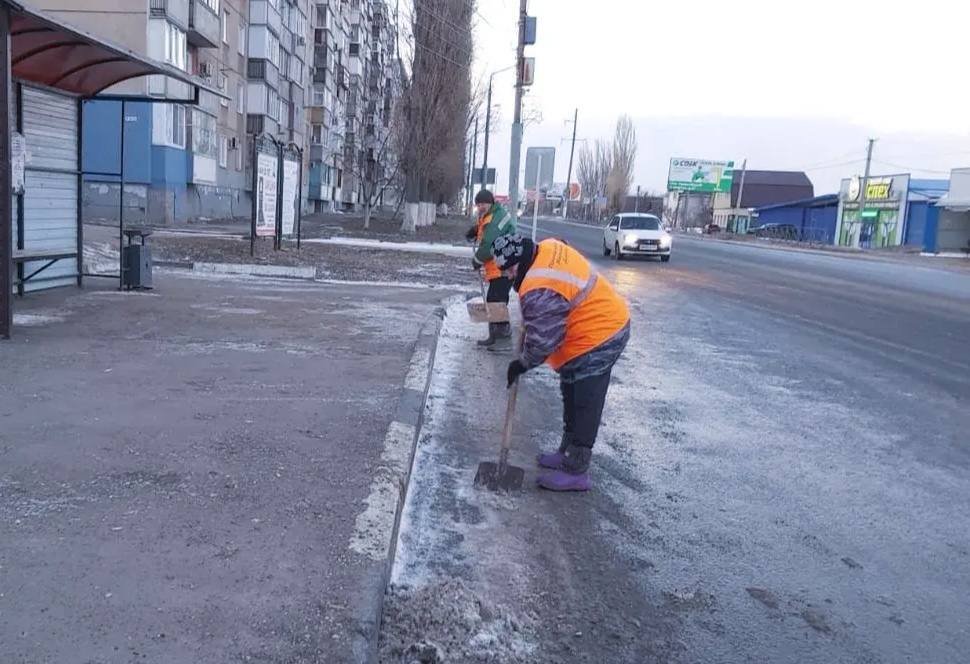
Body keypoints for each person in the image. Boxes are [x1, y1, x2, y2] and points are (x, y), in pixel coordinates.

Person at [492, 234, 630, 492]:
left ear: (520, 261)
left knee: (585, 401)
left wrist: (521, 364)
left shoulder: (537, 287)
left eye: (509, 270)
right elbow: (564, 248)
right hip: (586, 327)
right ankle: (566, 451)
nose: (509, 277)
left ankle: (577, 471)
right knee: (570, 390)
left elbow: (544, 342)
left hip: (601, 334)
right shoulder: (547, 246)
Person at [466, 189, 516, 349]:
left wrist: (477, 260)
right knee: (494, 300)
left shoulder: (495, 217)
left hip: (504, 267)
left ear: (490, 203)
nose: (480, 207)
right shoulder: (491, 215)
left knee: (496, 301)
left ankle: (502, 339)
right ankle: (494, 336)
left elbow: (489, 243)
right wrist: (476, 230)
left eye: (483, 204)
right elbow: (487, 231)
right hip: (499, 266)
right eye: (478, 204)